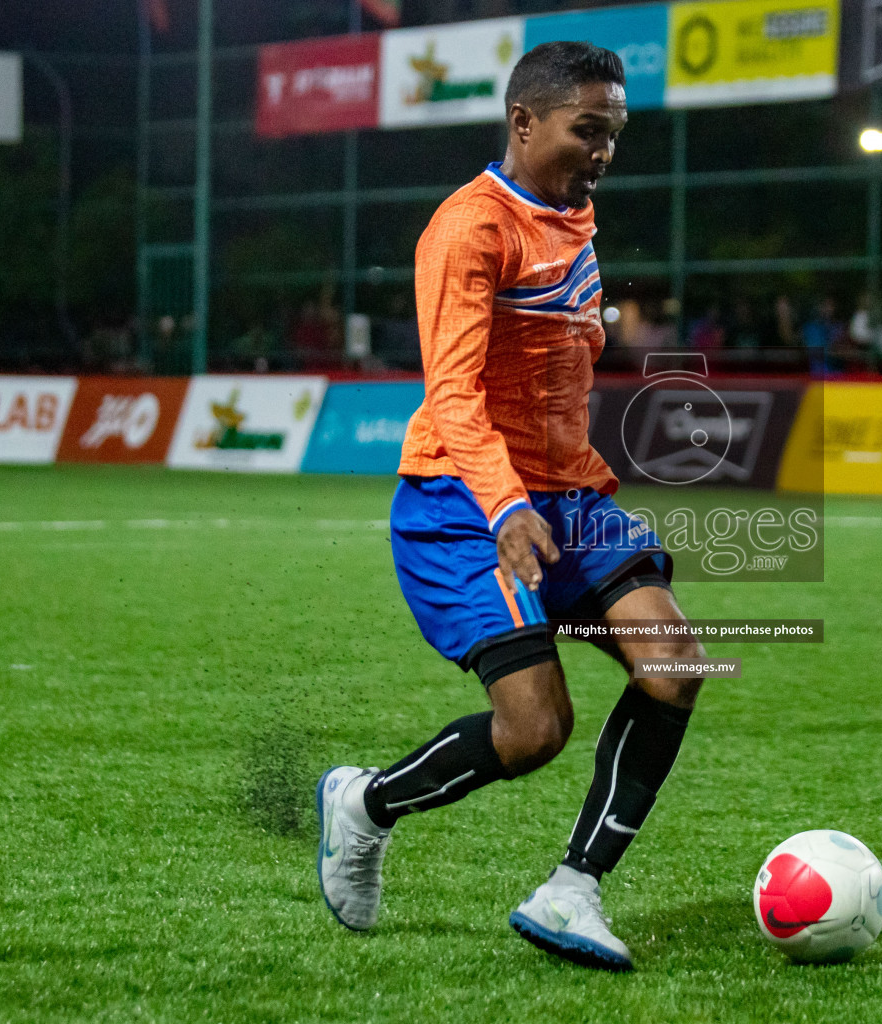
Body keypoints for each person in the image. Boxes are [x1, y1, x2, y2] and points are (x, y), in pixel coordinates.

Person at [313, 41, 706, 969]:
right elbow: (453, 396)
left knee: (678, 665)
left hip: (568, 497)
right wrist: (503, 507)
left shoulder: (575, 211)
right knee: (535, 731)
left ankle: (575, 890)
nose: (604, 150)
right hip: (460, 498)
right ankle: (366, 806)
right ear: (524, 122)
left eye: (613, 133)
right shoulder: (468, 231)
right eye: (587, 131)